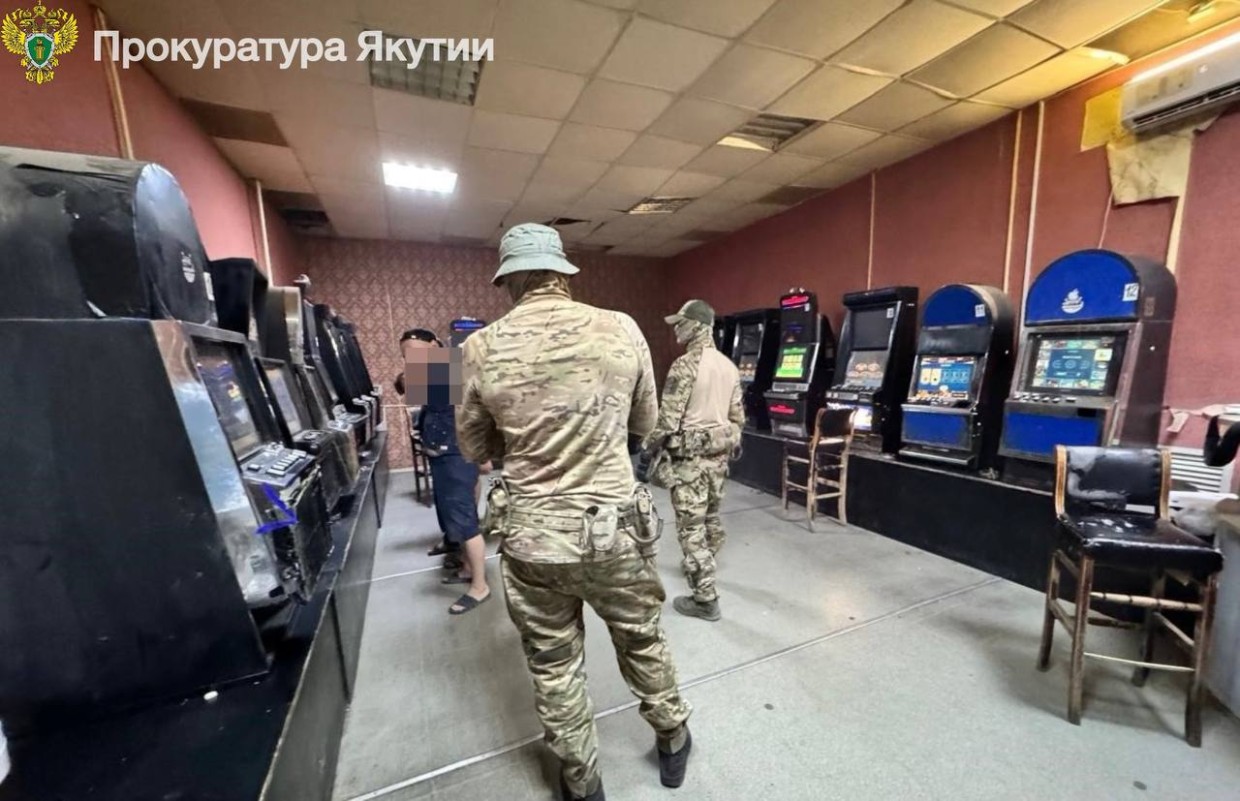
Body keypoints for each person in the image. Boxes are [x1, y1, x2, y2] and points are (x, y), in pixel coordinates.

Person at [457, 223, 693, 801]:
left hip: (533, 539)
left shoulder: (479, 346)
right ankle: (671, 738)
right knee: (641, 638)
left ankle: (582, 781)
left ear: (508, 280)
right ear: (563, 272)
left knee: (554, 664)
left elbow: (473, 445)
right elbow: (646, 424)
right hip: (615, 532)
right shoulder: (622, 327)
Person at [645, 300, 743, 623]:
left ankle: (705, 598)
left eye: (681, 322)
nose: (676, 328)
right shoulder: (729, 367)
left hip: (689, 465)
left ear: (698, 326)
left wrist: (647, 447)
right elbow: (737, 418)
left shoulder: (684, 366)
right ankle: (705, 561)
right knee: (711, 517)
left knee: (691, 529)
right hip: (718, 463)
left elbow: (667, 421)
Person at [397, 328, 491, 615]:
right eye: (405, 353)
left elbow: (404, 385)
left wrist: (482, 455)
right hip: (444, 454)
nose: (410, 357)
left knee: (465, 522)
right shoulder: (440, 369)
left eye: (415, 350)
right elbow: (406, 389)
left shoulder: (447, 367)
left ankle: (480, 586)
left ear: (435, 345)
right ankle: (467, 568)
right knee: (457, 517)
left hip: (455, 455)